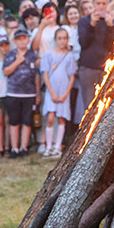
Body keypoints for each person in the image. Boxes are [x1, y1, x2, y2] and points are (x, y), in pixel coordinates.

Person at [77, 0, 114, 113]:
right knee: (89, 107)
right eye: (98, 3)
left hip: (106, 69)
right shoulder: (84, 21)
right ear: (93, 4)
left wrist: (110, 27)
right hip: (88, 69)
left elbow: (113, 47)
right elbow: (83, 43)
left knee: (106, 107)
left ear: (107, 5)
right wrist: (92, 25)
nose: (101, 7)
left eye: (104, 4)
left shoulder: (112, 22)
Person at [3, 28, 39, 158]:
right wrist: (18, 62)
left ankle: (24, 147)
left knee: (27, 121)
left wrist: (38, 94)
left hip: (29, 94)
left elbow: (37, 76)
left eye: (24, 38)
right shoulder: (11, 55)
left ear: (28, 40)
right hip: (13, 93)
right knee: (14, 121)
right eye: (19, 39)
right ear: (15, 41)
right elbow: (5, 71)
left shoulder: (32, 55)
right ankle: (14, 148)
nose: (22, 41)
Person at [41, 28, 76, 157]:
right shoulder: (49, 55)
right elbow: (45, 75)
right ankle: (48, 146)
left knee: (62, 118)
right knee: (50, 117)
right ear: (55, 40)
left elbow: (71, 76)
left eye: (64, 38)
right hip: (52, 90)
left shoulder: (69, 56)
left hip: (63, 90)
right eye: (60, 38)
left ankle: (57, 146)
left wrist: (65, 94)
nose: (62, 41)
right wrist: (51, 92)